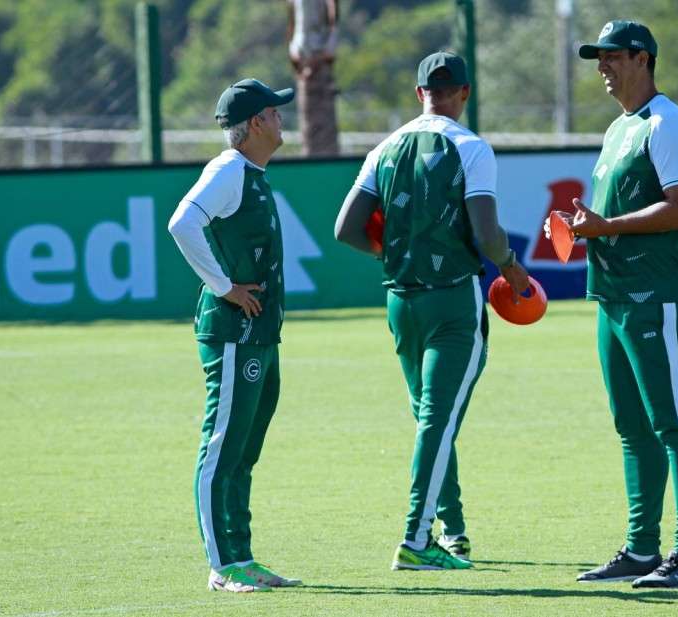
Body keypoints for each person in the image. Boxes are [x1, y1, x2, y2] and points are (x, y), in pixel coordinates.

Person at [334, 51, 530, 571]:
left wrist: (391, 252)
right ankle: (417, 542)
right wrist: (512, 268)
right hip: (451, 303)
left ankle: (454, 532)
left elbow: (345, 230)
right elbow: (488, 235)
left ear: (418, 93)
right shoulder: (471, 147)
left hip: (400, 300)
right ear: (465, 92)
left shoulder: (385, 147)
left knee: (430, 422)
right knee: (438, 424)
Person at [551, 20, 678, 588]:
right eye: (598, 57)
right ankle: (642, 549)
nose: (602, 66)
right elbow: (614, 216)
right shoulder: (621, 127)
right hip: (614, 297)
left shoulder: (668, 123)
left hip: (658, 295)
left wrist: (607, 225)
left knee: (675, 424)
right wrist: (584, 228)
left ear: (643, 59)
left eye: (613, 56)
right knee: (632, 427)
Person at [168, 78, 303, 593]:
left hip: (259, 332)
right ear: (254, 125)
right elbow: (182, 224)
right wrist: (223, 287)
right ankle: (221, 566)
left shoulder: (251, 172)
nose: (281, 119)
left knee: (244, 449)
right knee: (222, 447)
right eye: (274, 112)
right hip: (231, 331)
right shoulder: (227, 170)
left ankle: (242, 557)